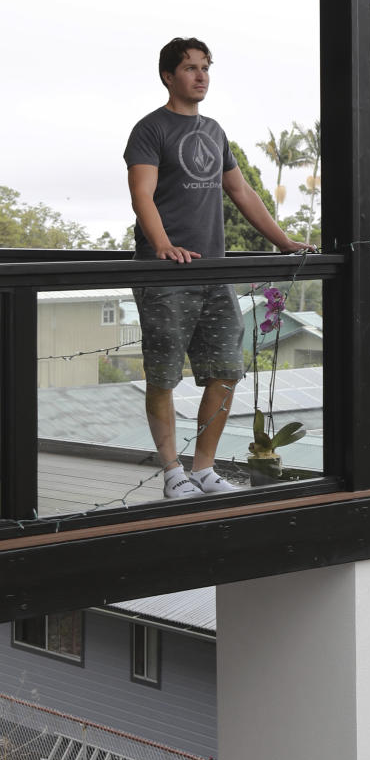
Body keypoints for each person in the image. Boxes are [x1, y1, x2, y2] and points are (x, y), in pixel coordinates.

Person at [124, 36, 307, 499]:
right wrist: (163, 246)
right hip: (164, 276)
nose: (201, 75)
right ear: (168, 76)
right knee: (164, 377)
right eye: (190, 68)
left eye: (206, 67)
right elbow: (142, 194)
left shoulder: (215, 131)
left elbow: (242, 193)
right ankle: (172, 475)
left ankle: (203, 469)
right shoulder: (150, 129)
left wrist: (283, 242)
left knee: (226, 371)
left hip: (214, 275)